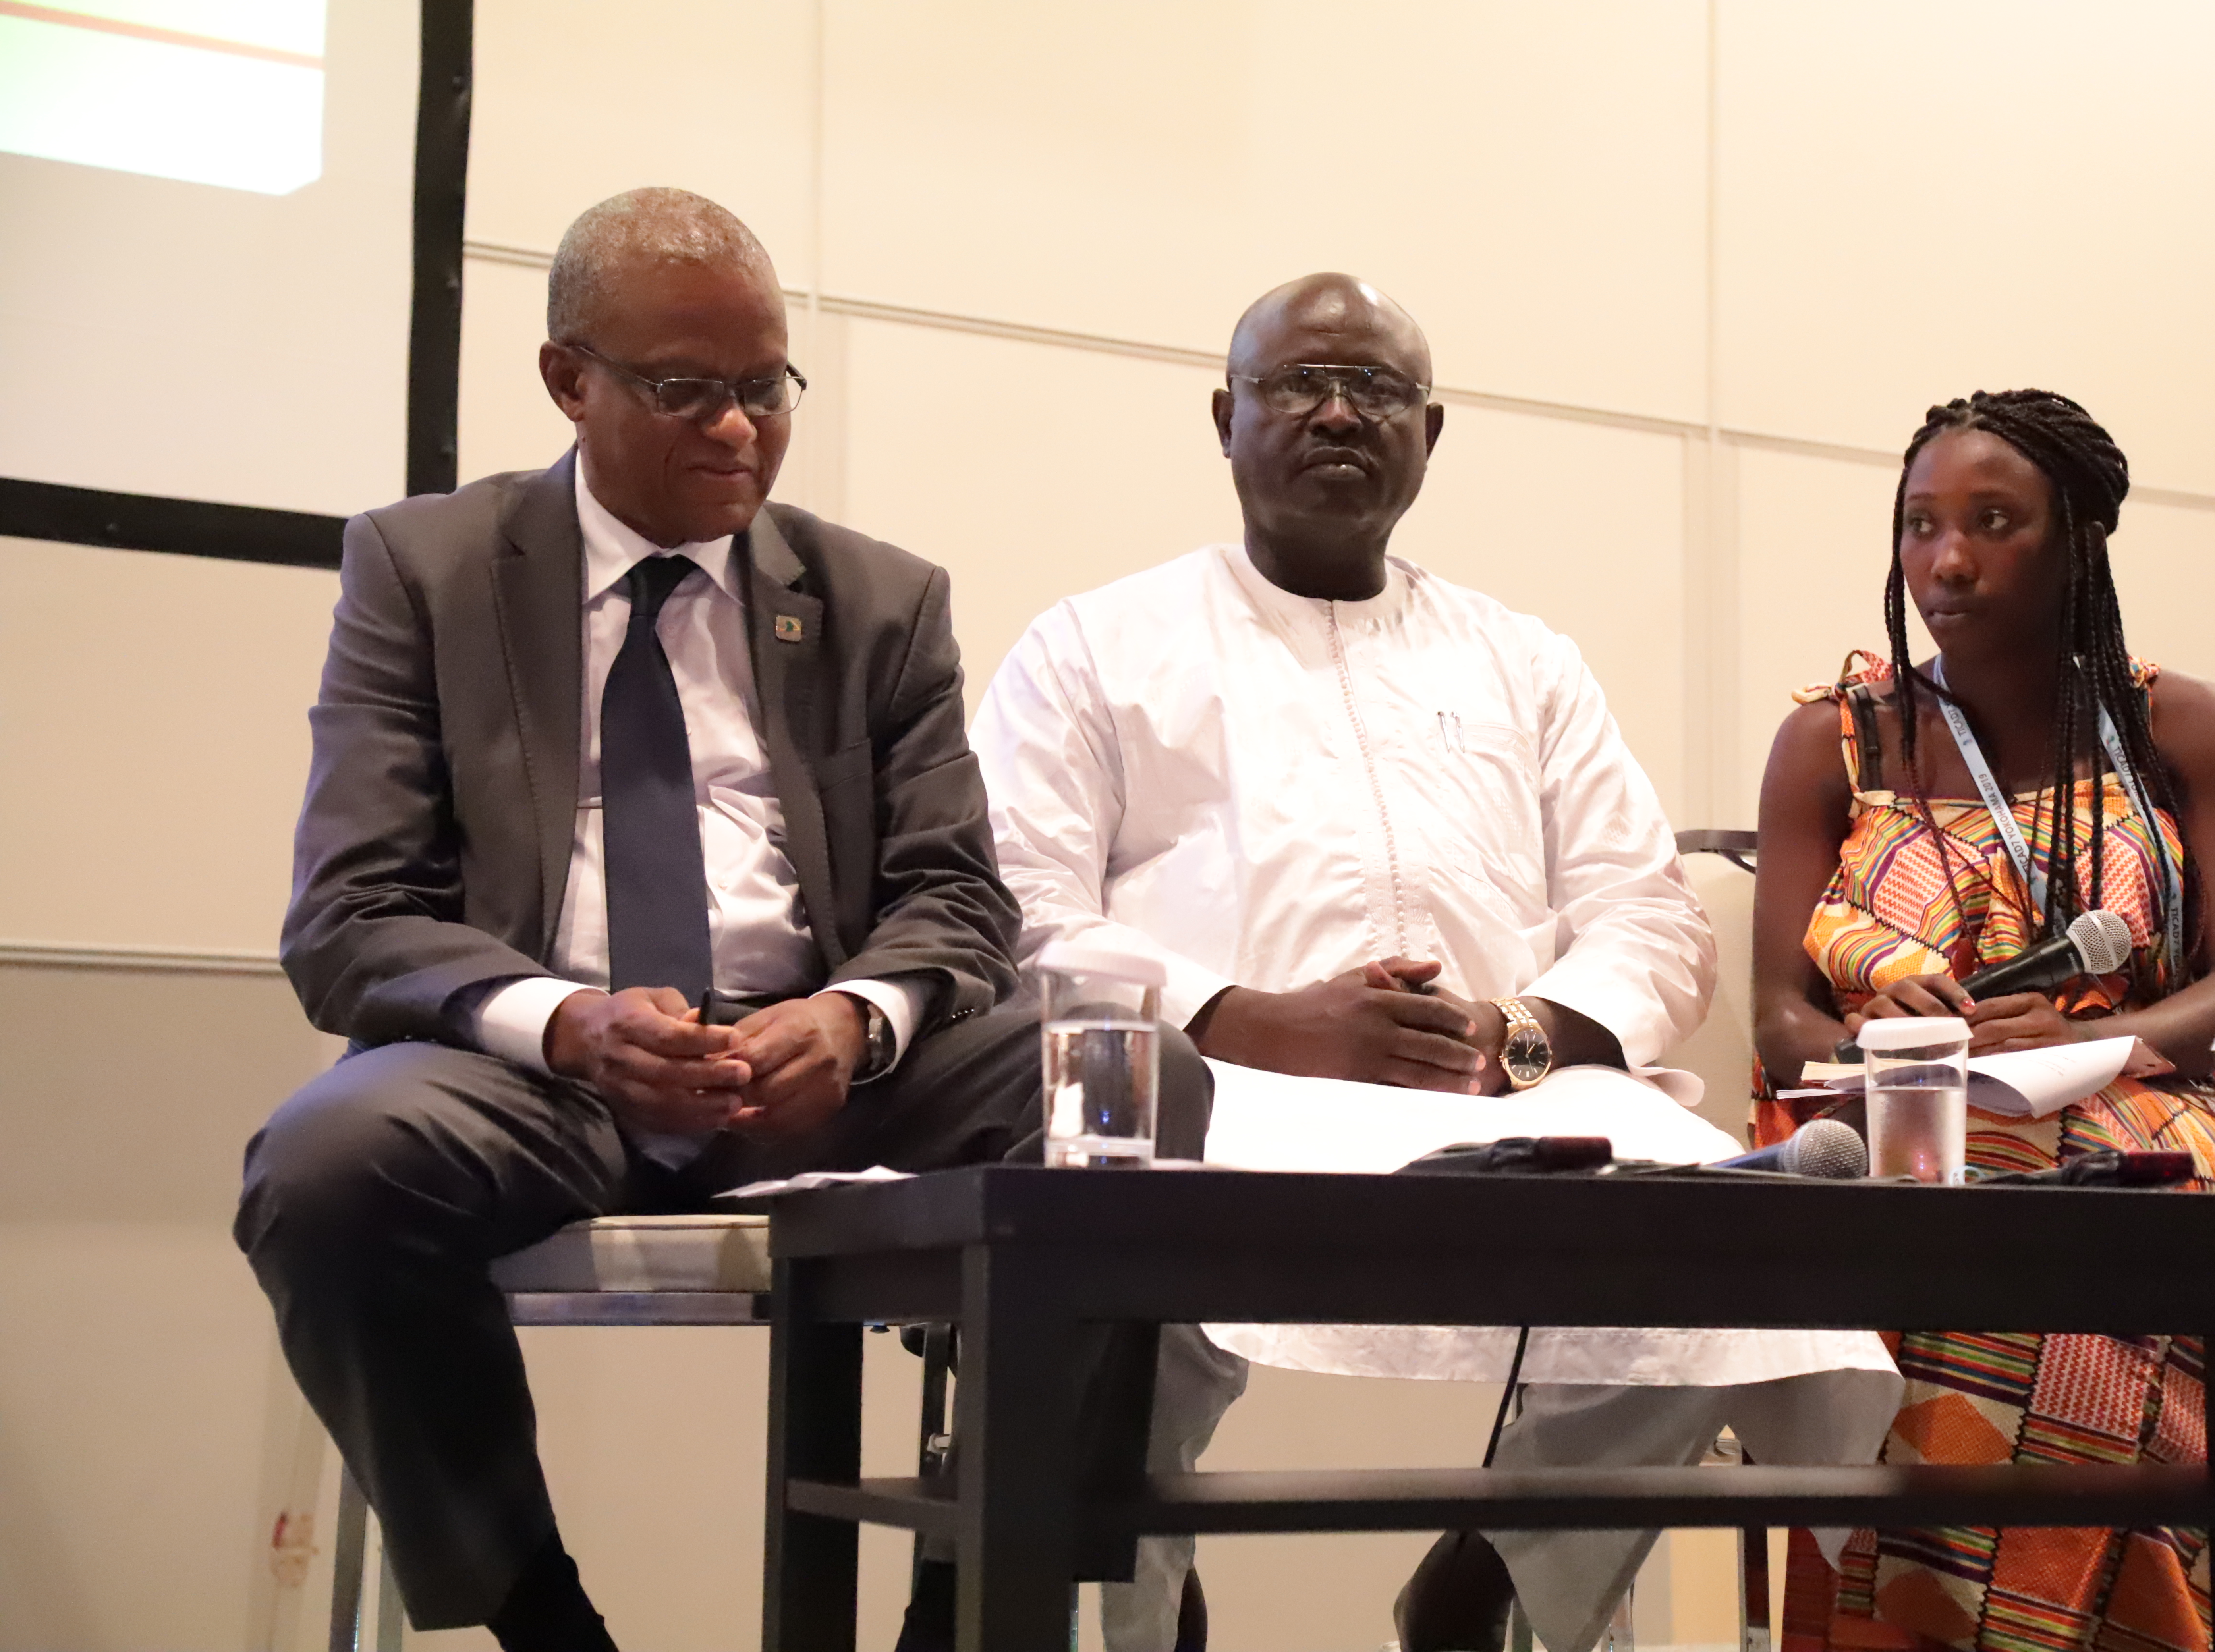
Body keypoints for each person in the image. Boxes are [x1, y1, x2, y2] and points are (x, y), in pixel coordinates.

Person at [234, 187, 1205, 1652]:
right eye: (689, 391)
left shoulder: (879, 601)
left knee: (1130, 1092)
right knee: (325, 1166)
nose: (739, 430)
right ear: (570, 380)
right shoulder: (426, 570)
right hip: (545, 1075)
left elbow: (957, 897)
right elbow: (350, 915)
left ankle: (976, 1601)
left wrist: (859, 1018)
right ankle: (539, 1617)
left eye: (766, 390)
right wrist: (569, 1022)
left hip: (818, 1074)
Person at [972, 272, 1902, 1652]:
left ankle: (1504, 1575)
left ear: (1433, 432)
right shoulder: (1095, 647)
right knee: (1116, 1262)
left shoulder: (1522, 660)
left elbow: (1648, 912)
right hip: (1222, 1097)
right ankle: (1133, 1620)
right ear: (1224, 418)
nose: (1339, 413)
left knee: (1742, 1248)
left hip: (1506, 1100)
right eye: (1297, 385)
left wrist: (1519, 1033)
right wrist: (1247, 1018)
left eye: (1380, 391)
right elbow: (1017, 905)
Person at [1750, 389, 2215, 1648]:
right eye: (1921, 523)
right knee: (1937, 1191)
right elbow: (1779, 1017)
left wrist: (2107, 1043)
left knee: (2113, 1197)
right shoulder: (1834, 743)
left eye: (1994, 521)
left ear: (2079, 539)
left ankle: (2101, 1614)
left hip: (2130, 1105)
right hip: (1897, 1116)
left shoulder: (2174, 723)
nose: (1948, 557)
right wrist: (1885, 1041)